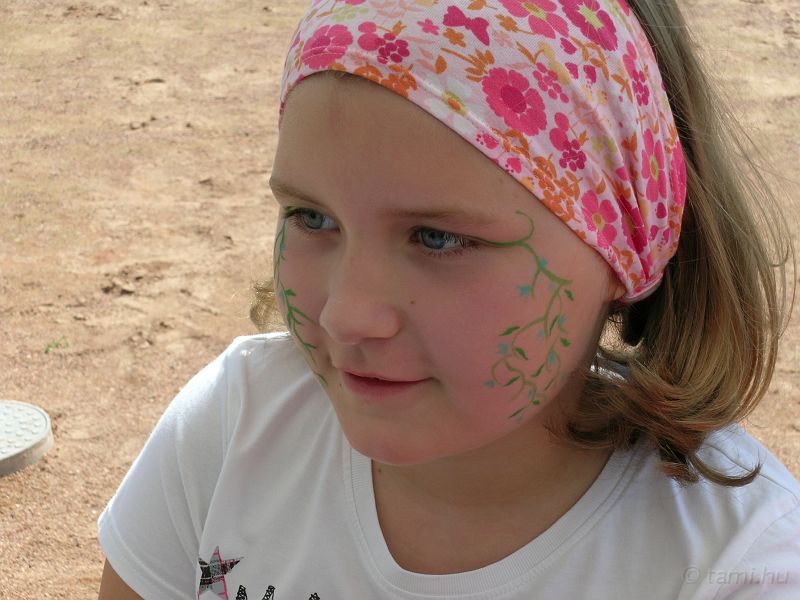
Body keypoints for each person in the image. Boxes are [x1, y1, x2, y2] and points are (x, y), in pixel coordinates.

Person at [97, 0, 799, 598]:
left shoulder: (735, 566)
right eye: (312, 218)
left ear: (624, 246)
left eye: (438, 238)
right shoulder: (233, 427)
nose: (345, 316)